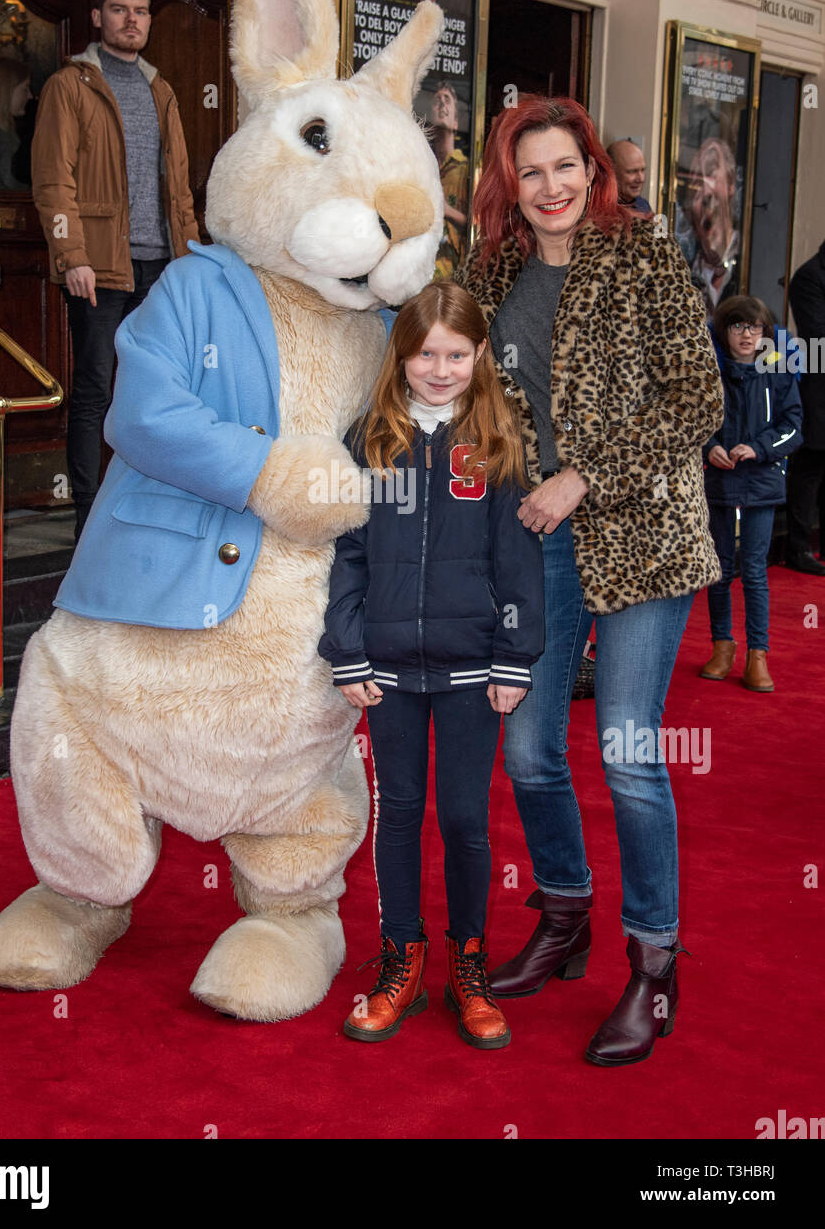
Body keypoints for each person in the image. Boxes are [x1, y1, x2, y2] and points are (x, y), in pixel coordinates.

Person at [455, 96, 724, 1067]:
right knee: (526, 747)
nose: (552, 187)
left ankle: (654, 966)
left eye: (566, 166)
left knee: (626, 751)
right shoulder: (491, 270)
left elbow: (699, 395)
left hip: (643, 532)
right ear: (509, 185)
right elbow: (463, 387)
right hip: (537, 537)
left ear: (593, 172)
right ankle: (564, 914)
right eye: (531, 173)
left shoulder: (645, 258)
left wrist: (583, 474)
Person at [319, 281, 544, 1049]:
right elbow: (346, 555)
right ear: (401, 356)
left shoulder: (501, 440)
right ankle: (400, 960)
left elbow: (519, 564)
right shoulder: (368, 440)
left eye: (455, 354)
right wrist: (345, 649)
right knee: (399, 815)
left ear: (479, 355)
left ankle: (468, 966)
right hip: (385, 670)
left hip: (474, 672)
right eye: (424, 354)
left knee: (464, 819)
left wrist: (515, 658)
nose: (439, 369)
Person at [31, 0, 198, 539]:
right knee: (96, 389)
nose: (133, 20)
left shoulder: (162, 90)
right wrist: (70, 254)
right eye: (120, 9)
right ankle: (87, 517)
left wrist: (192, 256)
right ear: (98, 17)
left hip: (160, 268)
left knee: (156, 390)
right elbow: (54, 181)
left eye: (142, 11)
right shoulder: (69, 86)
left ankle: (143, 508)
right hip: (99, 267)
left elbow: (178, 189)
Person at [700, 296, 802, 692]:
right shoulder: (711, 370)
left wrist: (760, 448)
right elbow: (694, 417)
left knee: (755, 572)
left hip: (760, 481)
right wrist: (710, 445)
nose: (746, 335)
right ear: (724, 332)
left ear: (766, 334)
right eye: (737, 326)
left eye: (755, 328)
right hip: (720, 481)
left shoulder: (777, 371)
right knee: (720, 570)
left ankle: (757, 655)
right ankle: (721, 647)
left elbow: (794, 426)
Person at [785, 240, 825, 576]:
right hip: (819, 389)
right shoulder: (810, 277)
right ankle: (798, 547)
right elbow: (817, 336)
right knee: (810, 467)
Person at [682, 136, 739, 318]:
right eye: (698, 183)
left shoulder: (750, 259)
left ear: (731, 186)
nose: (706, 191)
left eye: (713, 177)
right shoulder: (683, 271)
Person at [428, 82, 470, 278]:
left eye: (447, 100)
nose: (442, 105)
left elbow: (478, 226)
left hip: (452, 274)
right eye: (437, 101)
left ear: (456, 122)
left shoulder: (466, 169)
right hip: (420, 273)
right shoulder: (423, 166)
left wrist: (446, 210)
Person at [606, 138, 651, 213]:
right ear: (611, 172)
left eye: (642, 170)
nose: (641, 179)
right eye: (632, 171)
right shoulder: (596, 208)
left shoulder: (643, 205)